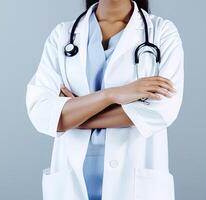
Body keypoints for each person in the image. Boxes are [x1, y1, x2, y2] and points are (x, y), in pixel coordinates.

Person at [25, 0, 184, 200]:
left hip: (134, 180)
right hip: (73, 178)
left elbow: (161, 111)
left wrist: (74, 115)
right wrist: (112, 94)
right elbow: (41, 112)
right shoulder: (62, 35)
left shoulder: (161, 32)